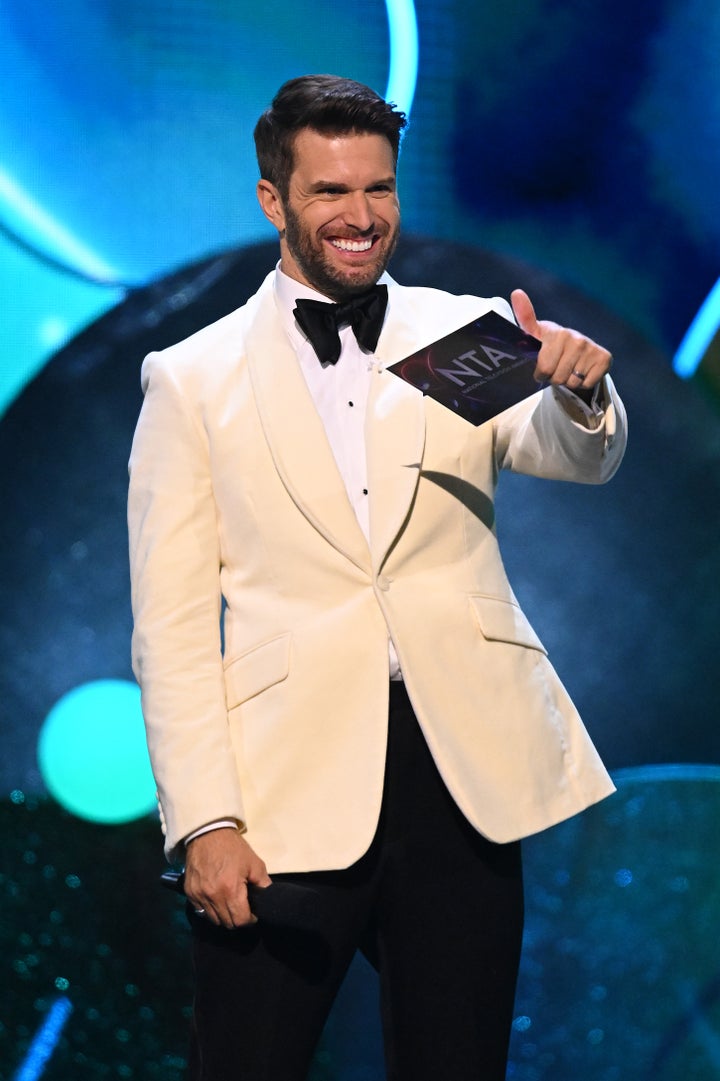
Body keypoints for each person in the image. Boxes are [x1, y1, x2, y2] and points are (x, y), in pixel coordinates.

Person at [128, 74, 627, 1081]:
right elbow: (172, 625)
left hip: (458, 767)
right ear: (274, 199)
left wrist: (580, 393)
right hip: (282, 786)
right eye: (329, 192)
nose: (361, 217)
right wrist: (206, 821)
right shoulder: (195, 376)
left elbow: (568, 452)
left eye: (379, 190)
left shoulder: (460, 333)